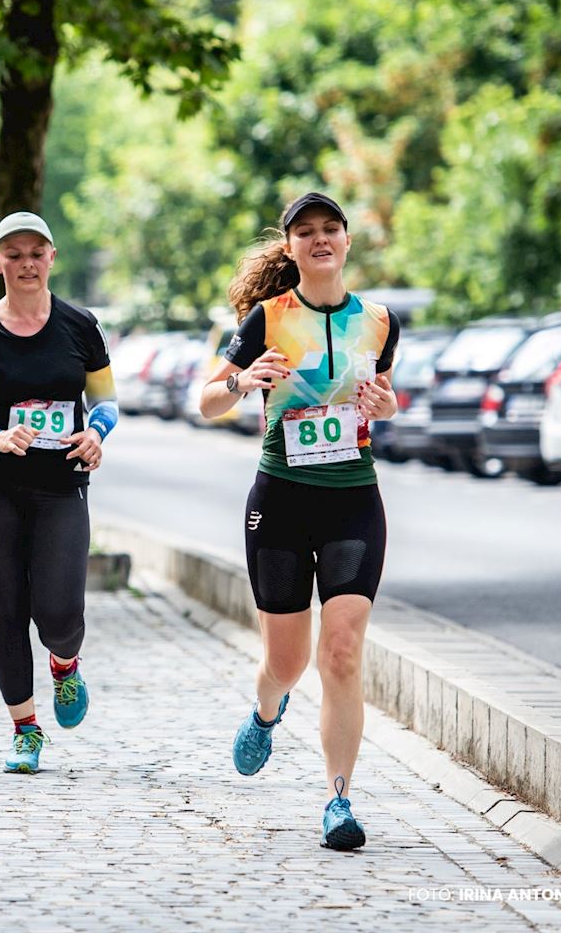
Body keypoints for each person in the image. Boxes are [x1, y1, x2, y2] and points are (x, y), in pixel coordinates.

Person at [197, 192, 400, 850]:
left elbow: (390, 400)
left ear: (346, 241)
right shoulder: (267, 319)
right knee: (286, 662)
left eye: (330, 229)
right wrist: (243, 381)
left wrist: (384, 402)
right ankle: (267, 707)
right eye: (305, 232)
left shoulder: (378, 320)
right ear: (289, 247)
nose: (319, 239)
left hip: (353, 498)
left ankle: (338, 800)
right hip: (281, 500)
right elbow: (206, 401)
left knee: (340, 650)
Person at [0, 211, 118, 773]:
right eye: (13, 254)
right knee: (6, 611)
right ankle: (25, 730)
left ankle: (65, 665)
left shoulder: (80, 326)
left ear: (52, 257)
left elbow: (106, 401)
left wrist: (97, 432)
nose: (26, 263)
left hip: (62, 485)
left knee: (59, 613)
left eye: (36, 252)